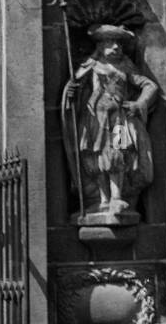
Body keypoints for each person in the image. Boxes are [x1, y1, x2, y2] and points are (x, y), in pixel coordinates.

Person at [61, 23, 158, 225]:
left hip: (119, 118)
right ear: (101, 46)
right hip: (94, 118)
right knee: (96, 157)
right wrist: (71, 93)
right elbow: (75, 90)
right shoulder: (90, 66)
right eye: (111, 43)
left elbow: (149, 85)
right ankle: (102, 200)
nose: (116, 48)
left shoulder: (125, 66)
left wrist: (140, 103)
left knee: (119, 153)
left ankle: (117, 197)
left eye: (119, 44)